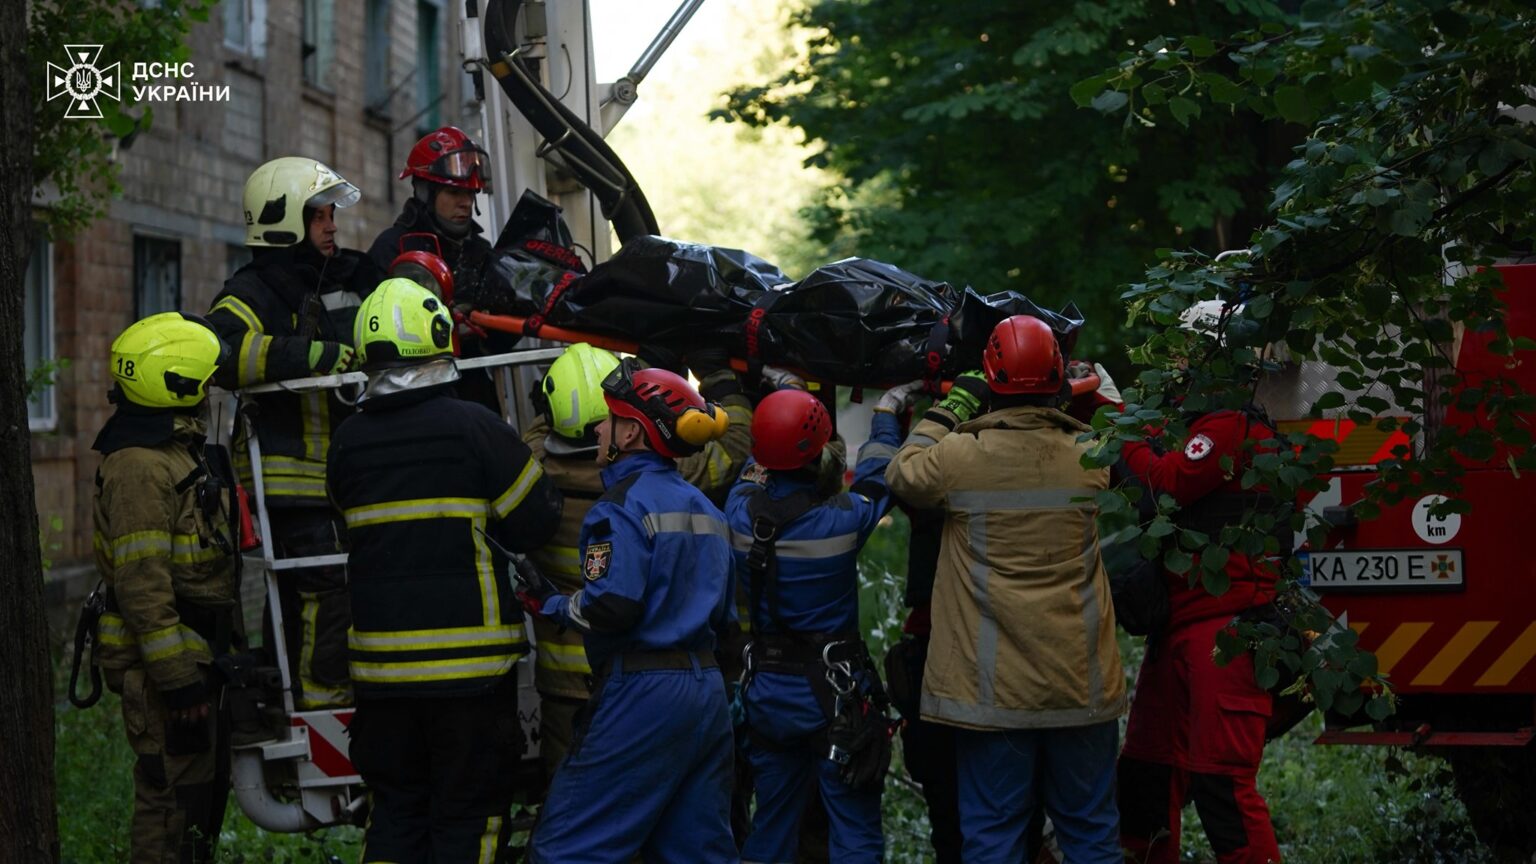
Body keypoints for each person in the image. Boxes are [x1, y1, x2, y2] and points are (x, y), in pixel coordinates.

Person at [326, 277, 562, 862]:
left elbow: (342, 524)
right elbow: (535, 521)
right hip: (471, 675)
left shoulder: (347, 442)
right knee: (469, 816)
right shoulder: (477, 428)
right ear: (438, 338)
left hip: (381, 676)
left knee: (397, 814)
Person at [886, 315, 1126, 864]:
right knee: (1091, 833)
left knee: (993, 837)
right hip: (1079, 686)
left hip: (992, 696)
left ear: (989, 377)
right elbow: (1131, 440)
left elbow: (902, 475)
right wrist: (1095, 394)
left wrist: (951, 407)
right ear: (1058, 375)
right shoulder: (1090, 453)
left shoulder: (961, 459)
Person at [520, 359, 738, 864]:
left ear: (632, 434)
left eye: (609, 418)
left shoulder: (620, 508)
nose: (598, 428)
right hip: (705, 694)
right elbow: (726, 619)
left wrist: (550, 602)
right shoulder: (706, 509)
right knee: (697, 851)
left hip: (643, 694)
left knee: (566, 850)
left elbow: (611, 605)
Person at [207, 156, 382, 710]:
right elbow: (223, 352)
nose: (332, 224)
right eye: (319, 215)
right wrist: (312, 355)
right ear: (283, 221)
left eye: (331, 212)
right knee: (323, 588)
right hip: (294, 481)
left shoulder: (345, 277)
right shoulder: (251, 291)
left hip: (346, 477)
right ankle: (316, 705)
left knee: (328, 593)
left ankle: (309, 693)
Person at [1116, 299, 1287, 864]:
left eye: (1188, 350)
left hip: (1226, 634)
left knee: (1222, 791)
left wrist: (1120, 427)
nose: (1178, 362)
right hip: (1181, 631)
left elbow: (1165, 481)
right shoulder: (1194, 424)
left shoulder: (1231, 427)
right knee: (1144, 780)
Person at [726, 383, 921, 863]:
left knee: (772, 823)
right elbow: (878, 474)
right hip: (833, 700)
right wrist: (886, 414)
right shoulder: (841, 520)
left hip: (768, 698)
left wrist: (781, 404)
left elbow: (752, 476)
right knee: (853, 830)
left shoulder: (737, 514)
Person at [90, 312, 240, 863]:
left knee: (197, 809)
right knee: (169, 811)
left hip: (196, 660)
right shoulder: (140, 466)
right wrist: (178, 684)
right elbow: (142, 588)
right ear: (176, 383)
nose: (206, 393)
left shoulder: (173, 449)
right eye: (201, 381)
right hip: (168, 676)